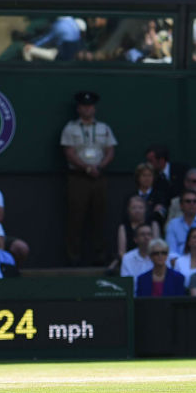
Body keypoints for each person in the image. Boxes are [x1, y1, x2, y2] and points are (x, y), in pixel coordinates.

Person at [60, 90, 117, 265]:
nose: (87, 109)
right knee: (75, 218)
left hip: (99, 177)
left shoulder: (104, 128)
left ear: (94, 108)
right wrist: (86, 168)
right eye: (84, 106)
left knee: (100, 217)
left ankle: (100, 257)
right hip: (78, 177)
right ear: (78, 108)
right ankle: (73, 258)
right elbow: (68, 152)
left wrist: (100, 167)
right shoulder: (70, 128)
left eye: (90, 106)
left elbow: (110, 150)